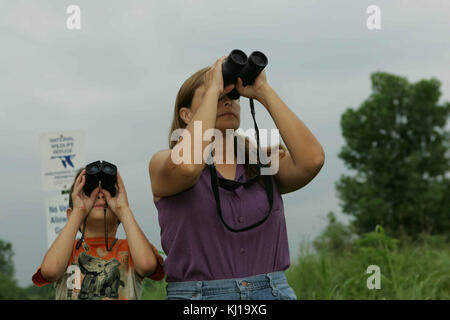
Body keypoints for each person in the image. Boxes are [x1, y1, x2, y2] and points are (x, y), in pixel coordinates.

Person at [149, 55, 325, 300]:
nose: (227, 102)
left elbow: (312, 161)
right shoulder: (163, 164)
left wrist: (263, 90)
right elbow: (188, 166)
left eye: (232, 97)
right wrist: (213, 87)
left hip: (272, 292)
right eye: (218, 97)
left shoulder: (261, 164)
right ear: (187, 115)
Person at [32, 167, 164, 300]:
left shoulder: (131, 249)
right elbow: (50, 271)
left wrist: (123, 209)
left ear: (120, 216)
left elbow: (147, 265)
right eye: (89, 193)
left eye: (108, 193)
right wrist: (79, 211)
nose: (100, 196)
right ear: (70, 214)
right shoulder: (66, 252)